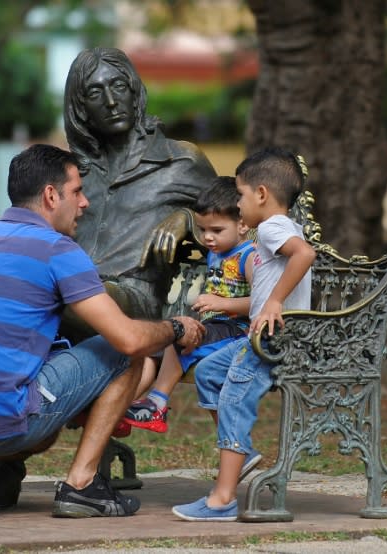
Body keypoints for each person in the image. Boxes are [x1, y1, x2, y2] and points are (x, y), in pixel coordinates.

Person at [0, 144, 205, 519]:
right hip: (8, 417)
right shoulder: (57, 249)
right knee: (126, 356)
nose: (84, 203)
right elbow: (127, 338)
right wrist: (176, 327)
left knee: (39, 387)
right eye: (78, 191)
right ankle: (81, 486)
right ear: (52, 195)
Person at [171, 147, 316, 522]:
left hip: (270, 340)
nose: (237, 203)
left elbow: (305, 255)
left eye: (240, 194)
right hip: (265, 337)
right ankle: (243, 454)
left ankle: (222, 499)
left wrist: (273, 303)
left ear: (262, 195)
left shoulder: (271, 227)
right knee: (207, 372)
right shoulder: (276, 228)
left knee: (234, 398)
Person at [61, 46, 217, 342]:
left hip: (135, 299)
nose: (110, 101)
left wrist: (187, 219)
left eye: (118, 86)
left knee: (55, 293)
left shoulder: (181, 160)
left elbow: (242, 223)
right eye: (95, 93)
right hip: (73, 288)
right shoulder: (73, 173)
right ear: (81, 110)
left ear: (135, 92)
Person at [123, 176, 255, 434]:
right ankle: (121, 409)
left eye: (216, 231)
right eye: (203, 229)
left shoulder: (249, 257)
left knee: (179, 335)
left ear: (242, 225)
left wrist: (222, 302)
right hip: (216, 327)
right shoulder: (216, 252)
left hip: (238, 332)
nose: (207, 238)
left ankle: (157, 402)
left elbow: (263, 303)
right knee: (155, 345)